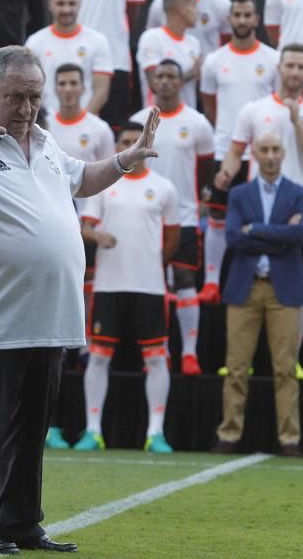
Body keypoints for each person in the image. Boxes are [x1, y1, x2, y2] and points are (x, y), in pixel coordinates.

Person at [0, 46, 161, 554]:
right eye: (15, 96)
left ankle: (19, 523)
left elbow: (81, 177)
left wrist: (123, 161)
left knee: (30, 434)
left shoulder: (46, 143)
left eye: (34, 97)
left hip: (47, 315)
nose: (26, 107)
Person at [216, 44, 303, 379]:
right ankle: (242, 354)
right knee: (245, 280)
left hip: (296, 206)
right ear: (278, 68)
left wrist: (297, 122)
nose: (294, 72)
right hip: (257, 205)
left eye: (301, 67)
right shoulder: (254, 109)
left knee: (299, 286)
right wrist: (225, 173)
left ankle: (291, 357)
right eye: (290, 66)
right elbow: (236, 152)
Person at [75, 122, 179, 453]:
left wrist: (153, 262)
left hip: (149, 287)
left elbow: (174, 236)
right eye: (126, 141)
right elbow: (84, 227)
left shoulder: (164, 188)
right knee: (99, 357)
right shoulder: (105, 186)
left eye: (137, 140)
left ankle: (156, 432)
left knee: (157, 359)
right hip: (109, 285)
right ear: (118, 145)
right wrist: (98, 236)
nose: (132, 145)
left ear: (148, 143)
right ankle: (93, 430)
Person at [211, 132, 303, 457]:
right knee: (236, 366)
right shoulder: (240, 194)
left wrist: (254, 229)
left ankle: (289, 439)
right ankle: (229, 434)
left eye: (275, 149)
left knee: (285, 368)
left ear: (283, 153)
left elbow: (300, 235)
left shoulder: (298, 193)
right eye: (264, 149)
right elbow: (233, 238)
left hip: (284, 289)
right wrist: (276, 235)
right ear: (254, 153)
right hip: (245, 285)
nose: (270, 155)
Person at [43, 62, 116, 450]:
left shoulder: (99, 130)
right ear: (55, 88)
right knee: (48, 334)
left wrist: (90, 224)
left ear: (84, 87)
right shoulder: (44, 128)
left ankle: (88, 427)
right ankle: (48, 426)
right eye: (63, 83)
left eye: (74, 83)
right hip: (50, 236)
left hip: (87, 237)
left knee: (82, 338)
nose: (69, 89)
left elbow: (104, 181)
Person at [129, 61, 213, 375]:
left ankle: (189, 353)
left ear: (181, 82)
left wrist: (195, 198)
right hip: (145, 215)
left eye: (171, 77)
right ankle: (160, 350)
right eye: (159, 77)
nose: (164, 82)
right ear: (151, 82)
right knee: (152, 283)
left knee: (184, 278)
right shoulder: (137, 121)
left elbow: (205, 169)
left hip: (185, 215)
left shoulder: (198, 123)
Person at [199, 0, 280, 304]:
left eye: (248, 15)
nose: (243, 21)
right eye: (238, 15)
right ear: (230, 19)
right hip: (226, 151)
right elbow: (209, 105)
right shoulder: (215, 61)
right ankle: (211, 281)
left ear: (257, 20)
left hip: (261, 155)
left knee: (261, 218)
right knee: (218, 219)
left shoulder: (272, 59)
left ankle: (261, 274)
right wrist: (229, 135)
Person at [25, 0, 112, 115]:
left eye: (72, 3)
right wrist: (45, 123)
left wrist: (80, 122)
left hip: (85, 127)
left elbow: (101, 91)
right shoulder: (35, 42)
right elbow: (28, 87)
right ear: (50, 5)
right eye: (60, 4)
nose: (66, 9)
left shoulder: (97, 41)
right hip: (45, 125)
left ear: (80, 5)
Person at [136, 0, 201, 108]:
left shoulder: (194, 43)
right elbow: (156, 85)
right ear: (182, 9)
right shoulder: (152, 38)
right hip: (156, 119)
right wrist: (191, 73)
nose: (198, 12)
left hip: (187, 120)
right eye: (194, 6)